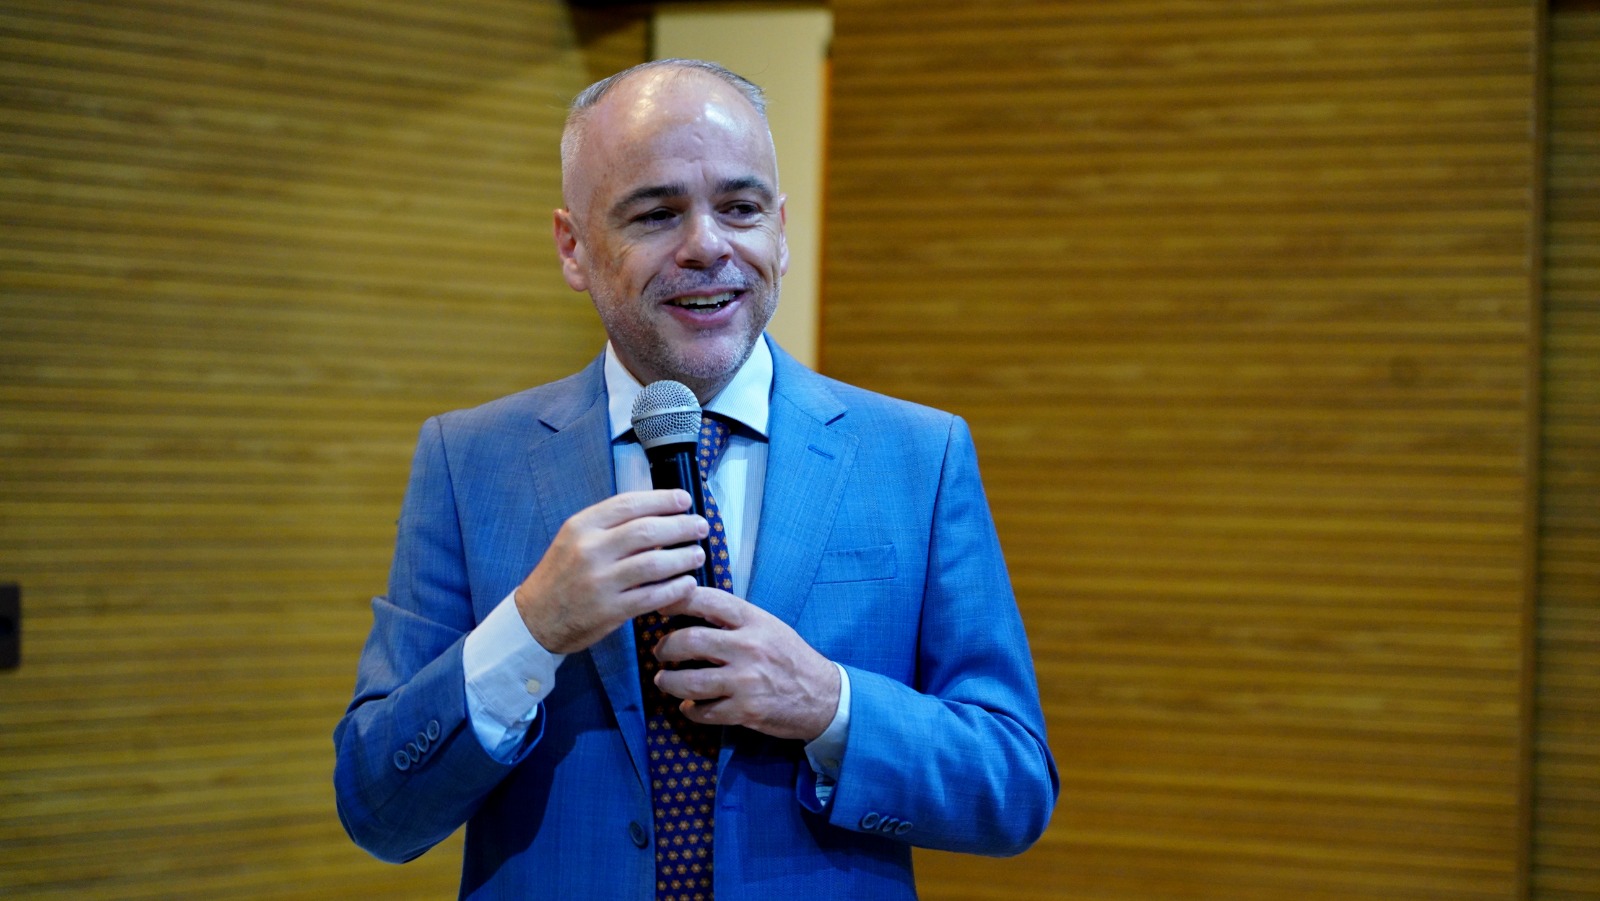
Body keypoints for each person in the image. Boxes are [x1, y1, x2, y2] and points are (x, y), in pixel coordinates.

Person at [333, 58, 1058, 900]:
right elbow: (378, 808)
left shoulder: (918, 457)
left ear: (781, 230)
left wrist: (828, 704)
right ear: (573, 247)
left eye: (740, 208)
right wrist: (530, 631)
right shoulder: (468, 461)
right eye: (656, 213)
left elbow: (1013, 788)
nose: (708, 245)